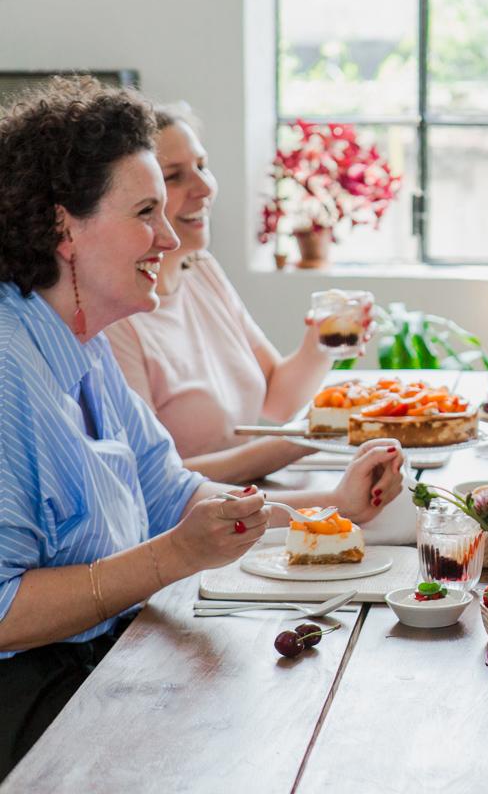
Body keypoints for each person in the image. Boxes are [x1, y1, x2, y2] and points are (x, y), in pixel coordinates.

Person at [0, 78, 405, 777]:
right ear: (64, 227)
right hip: (33, 703)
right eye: (146, 211)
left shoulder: (85, 345)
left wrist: (327, 512)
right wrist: (173, 559)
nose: (167, 235)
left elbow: (178, 495)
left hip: (109, 657)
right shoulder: (9, 367)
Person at [105, 104, 348, 483]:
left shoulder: (200, 268)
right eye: (175, 176)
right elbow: (152, 480)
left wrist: (322, 340)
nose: (203, 187)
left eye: (202, 166)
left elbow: (278, 398)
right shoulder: (116, 316)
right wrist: (303, 440)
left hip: (250, 502)